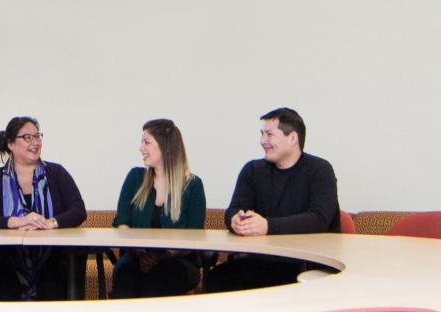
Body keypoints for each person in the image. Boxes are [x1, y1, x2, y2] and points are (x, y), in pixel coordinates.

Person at [205, 107, 340, 292]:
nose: (262, 141)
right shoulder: (252, 170)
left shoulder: (319, 169)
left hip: (306, 264)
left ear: (292, 138)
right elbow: (234, 209)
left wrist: (267, 226)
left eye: (269, 134)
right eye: (261, 134)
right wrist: (236, 220)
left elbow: (319, 219)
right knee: (217, 279)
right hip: (261, 260)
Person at [0, 116, 87, 301]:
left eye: (37, 136)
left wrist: (51, 223)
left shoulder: (56, 173)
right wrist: (18, 221)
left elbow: (78, 210)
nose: (35, 142)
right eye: (28, 138)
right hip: (7, 263)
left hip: (52, 261)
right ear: (11, 144)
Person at [111, 118, 206, 298]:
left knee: (156, 279)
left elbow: (195, 236)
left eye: (146, 142)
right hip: (136, 258)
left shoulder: (193, 185)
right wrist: (139, 254)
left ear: (165, 147)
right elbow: (122, 223)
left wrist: (163, 257)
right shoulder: (135, 177)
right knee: (125, 275)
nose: (140, 148)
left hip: (178, 261)